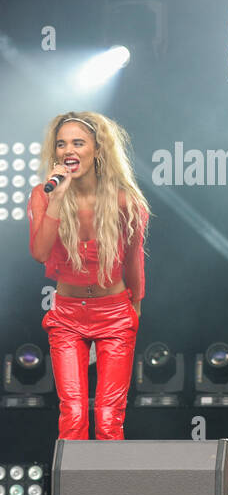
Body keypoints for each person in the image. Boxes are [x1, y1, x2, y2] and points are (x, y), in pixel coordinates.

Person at [27, 112, 150, 440]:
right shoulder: (44, 194)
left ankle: (111, 491)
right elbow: (39, 252)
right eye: (62, 143)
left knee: (109, 418)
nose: (69, 150)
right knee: (74, 413)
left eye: (78, 143)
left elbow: (134, 262)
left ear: (97, 150)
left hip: (113, 313)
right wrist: (56, 200)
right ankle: (74, 492)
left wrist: (134, 311)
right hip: (67, 314)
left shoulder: (124, 200)